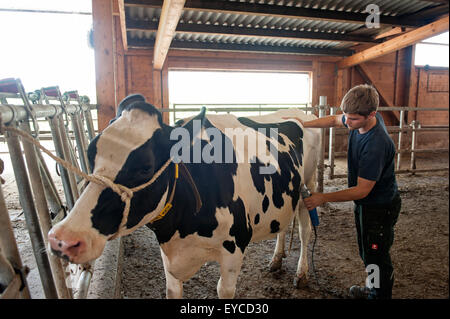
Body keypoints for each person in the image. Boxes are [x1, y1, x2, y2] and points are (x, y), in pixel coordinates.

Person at [284, 84, 401, 299]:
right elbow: (334, 119)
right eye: (346, 116)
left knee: (376, 255)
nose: (347, 123)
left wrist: (322, 197)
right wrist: (305, 123)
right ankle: (372, 287)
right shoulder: (359, 119)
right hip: (369, 205)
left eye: (353, 119)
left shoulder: (375, 144)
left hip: (379, 207)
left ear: (372, 115)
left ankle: (378, 295)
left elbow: (361, 190)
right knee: (368, 252)